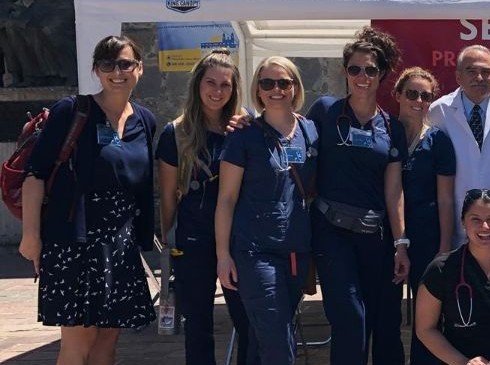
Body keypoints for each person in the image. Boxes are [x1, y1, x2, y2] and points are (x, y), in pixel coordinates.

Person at [18, 34, 156, 365]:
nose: (117, 72)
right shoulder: (73, 111)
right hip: (73, 240)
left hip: (120, 244)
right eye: (107, 64)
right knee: (78, 342)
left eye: (125, 64)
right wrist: (31, 235)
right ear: (96, 70)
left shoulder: (145, 120)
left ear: (139, 68)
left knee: (106, 342)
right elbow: (35, 174)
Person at [304, 26, 409, 365]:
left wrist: (401, 243)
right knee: (350, 319)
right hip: (331, 232)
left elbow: (394, 190)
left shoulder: (392, 127)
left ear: (382, 75)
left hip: (376, 236)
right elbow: (287, 132)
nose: (362, 77)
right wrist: (245, 121)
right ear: (345, 71)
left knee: (384, 321)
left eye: (371, 70)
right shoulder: (325, 111)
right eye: (355, 69)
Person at [215, 56, 318, 365]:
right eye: (267, 83)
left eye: (284, 82)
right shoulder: (243, 135)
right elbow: (226, 199)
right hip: (255, 251)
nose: (276, 89)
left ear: (295, 87)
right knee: (278, 341)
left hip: (296, 251)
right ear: (257, 89)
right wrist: (223, 255)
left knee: (267, 337)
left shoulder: (310, 130)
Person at [157, 48, 254, 365]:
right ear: (197, 84)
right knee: (198, 326)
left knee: (248, 322)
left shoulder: (243, 129)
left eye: (225, 85)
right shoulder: (176, 133)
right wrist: (169, 242)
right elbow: (168, 195)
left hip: (237, 238)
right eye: (210, 82)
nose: (217, 91)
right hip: (193, 238)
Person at [415, 188, 490, 365]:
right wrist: (464, 362)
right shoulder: (442, 270)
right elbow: (425, 329)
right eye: (476, 220)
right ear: (463, 222)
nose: (485, 227)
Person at [428, 45, 490, 244]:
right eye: (471, 71)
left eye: (486, 72)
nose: (479, 77)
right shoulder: (439, 111)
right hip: (457, 221)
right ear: (458, 77)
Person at [395, 67, 458, 365]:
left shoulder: (438, 141)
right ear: (398, 95)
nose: (418, 101)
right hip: (388, 235)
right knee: (387, 314)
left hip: (427, 235)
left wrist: (444, 248)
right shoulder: (384, 134)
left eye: (425, 96)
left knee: (427, 317)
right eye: (412, 93)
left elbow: (445, 199)